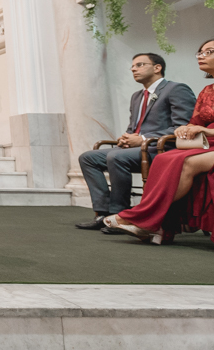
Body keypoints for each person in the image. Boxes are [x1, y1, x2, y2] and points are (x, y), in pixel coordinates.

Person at [104, 38, 214, 254]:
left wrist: (212, 131)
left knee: (186, 161)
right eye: (199, 52)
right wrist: (186, 129)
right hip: (211, 146)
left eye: (208, 52)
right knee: (164, 158)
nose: (201, 56)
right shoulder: (208, 90)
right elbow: (196, 123)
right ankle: (154, 224)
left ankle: (139, 218)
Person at [76, 53, 195, 233]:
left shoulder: (176, 89)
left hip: (162, 149)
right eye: (133, 66)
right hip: (138, 149)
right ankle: (103, 214)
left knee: (116, 156)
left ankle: (120, 216)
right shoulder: (137, 96)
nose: (133, 69)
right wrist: (127, 138)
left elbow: (184, 126)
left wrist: (143, 139)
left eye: (139, 65)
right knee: (88, 158)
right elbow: (135, 127)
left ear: (157, 68)